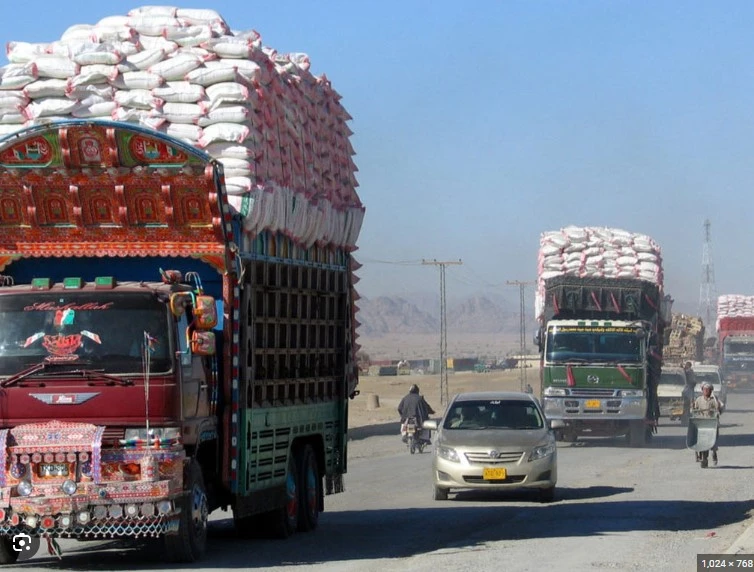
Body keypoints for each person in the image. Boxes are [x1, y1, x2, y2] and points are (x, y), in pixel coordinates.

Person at [692, 381, 724, 466]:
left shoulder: (714, 399)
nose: (706, 391)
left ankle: (714, 454)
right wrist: (692, 408)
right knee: (703, 442)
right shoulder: (699, 399)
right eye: (705, 389)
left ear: (711, 391)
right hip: (702, 424)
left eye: (708, 390)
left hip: (712, 424)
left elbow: (720, 409)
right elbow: (694, 410)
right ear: (702, 390)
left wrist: (718, 407)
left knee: (713, 443)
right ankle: (704, 458)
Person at [681, 361, 697, 425]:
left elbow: (692, 381)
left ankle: (686, 420)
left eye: (686, 365)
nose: (685, 366)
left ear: (689, 366)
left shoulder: (689, 372)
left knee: (687, 407)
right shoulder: (688, 371)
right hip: (688, 391)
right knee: (686, 407)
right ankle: (685, 420)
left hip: (688, 391)